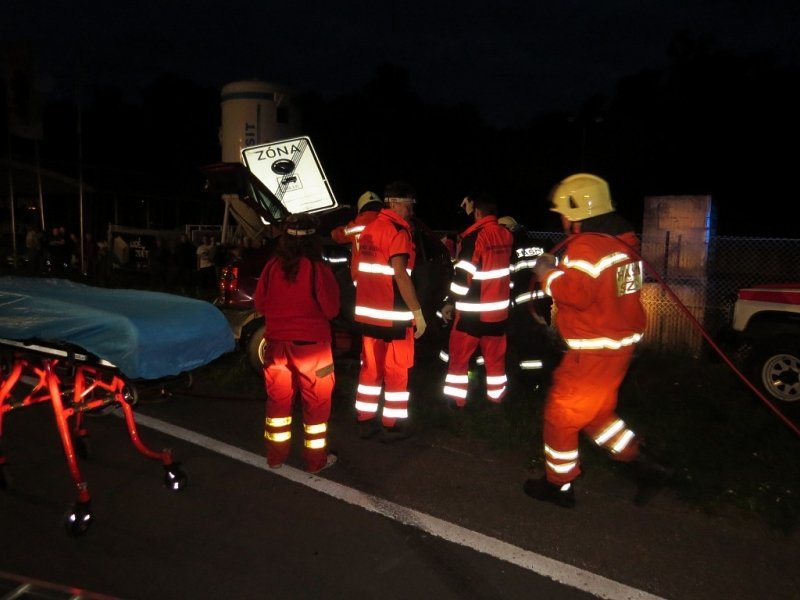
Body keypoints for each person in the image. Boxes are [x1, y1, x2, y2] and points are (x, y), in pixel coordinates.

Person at [524, 173, 671, 508]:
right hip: (617, 350)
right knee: (596, 416)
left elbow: (576, 293)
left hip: (591, 352)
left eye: (563, 213)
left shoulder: (587, 245)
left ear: (577, 215)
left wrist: (548, 273)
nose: (561, 220)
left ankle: (558, 486)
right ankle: (646, 466)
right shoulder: (623, 242)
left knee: (560, 417)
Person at [252, 212, 340, 473]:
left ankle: (276, 458)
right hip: (313, 349)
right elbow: (332, 309)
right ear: (314, 240)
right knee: (316, 408)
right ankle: (315, 462)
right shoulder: (317, 269)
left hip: (277, 346)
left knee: (277, 403)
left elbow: (260, 304)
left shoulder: (271, 267)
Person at [352, 181, 426, 442]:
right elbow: (400, 275)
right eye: (409, 204)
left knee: (370, 369)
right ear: (394, 202)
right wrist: (417, 312)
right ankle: (391, 425)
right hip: (393, 316)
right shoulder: (398, 232)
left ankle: (364, 419)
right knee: (397, 370)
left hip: (369, 316)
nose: (411, 210)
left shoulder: (369, 229)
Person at [440, 193, 513, 407]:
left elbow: (463, 276)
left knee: (459, 359)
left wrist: (449, 301)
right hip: (498, 313)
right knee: (495, 361)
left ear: (478, 213)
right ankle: (495, 400)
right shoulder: (506, 235)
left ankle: (456, 401)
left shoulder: (475, 237)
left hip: (471, 313)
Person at [497, 215, 556, 375]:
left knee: (527, 342)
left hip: (525, 305)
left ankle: (532, 381)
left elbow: (507, 282)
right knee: (550, 338)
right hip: (550, 300)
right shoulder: (541, 244)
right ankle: (551, 374)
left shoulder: (508, 250)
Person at [331, 190, 383, 284]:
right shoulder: (388, 223)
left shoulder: (354, 226)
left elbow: (337, 235)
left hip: (361, 279)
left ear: (360, 209)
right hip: (388, 277)